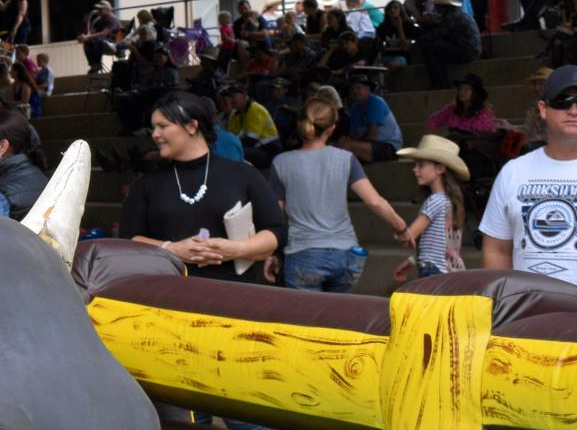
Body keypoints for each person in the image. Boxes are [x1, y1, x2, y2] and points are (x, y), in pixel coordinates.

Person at [480, 65, 577, 296]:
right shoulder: (513, 171)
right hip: (525, 316)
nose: (574, 110)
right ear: (543, 108)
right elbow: (497, 249)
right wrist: (500, 303)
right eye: (562, 101)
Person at [119, 92, 284, 285]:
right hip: (167, 296)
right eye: (154, 127)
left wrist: (237, 249)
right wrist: (171, 249)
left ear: (191, 126)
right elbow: (128, 239)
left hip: (233, 295)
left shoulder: (242, 174)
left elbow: (276, 231)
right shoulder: (147, 184)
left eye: (162, 126)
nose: (155, 134)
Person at [269, 99, 408, 292]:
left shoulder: (280, 163)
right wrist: (401, 228)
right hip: (346, 254)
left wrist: (272, 252)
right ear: (331, 129)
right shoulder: (345, 159)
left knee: (306, 321)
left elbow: (275, 215)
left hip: (302, 253)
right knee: (338, 318)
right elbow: (375, 202)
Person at [396, 135, 468, 278]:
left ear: (440, 168)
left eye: (421, 165)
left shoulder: (435, 201)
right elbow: (438, 246)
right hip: (449, 272)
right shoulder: (450, 202)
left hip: (432, 271)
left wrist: (397, 229)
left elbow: (409, 236)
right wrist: (412, 261)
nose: (415, 169)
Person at [414, 0, 481, 88]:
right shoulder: (456, 14)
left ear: (441, 6)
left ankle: (440, 83)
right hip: (468, 48)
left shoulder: (452, 16)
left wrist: (415, 43)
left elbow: (436, 34)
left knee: (428, 46)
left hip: (466, 50)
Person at [339, 69, 403, 163]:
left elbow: (371, 135)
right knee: (337, 146)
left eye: (358, 87)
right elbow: (353, 135)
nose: (355, 91)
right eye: (352, 89)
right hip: (370, 146)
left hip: (388, 148)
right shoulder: (355, 109)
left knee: (347, 146)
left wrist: (351, 143)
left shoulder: (375, 102)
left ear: (367, 89)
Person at [217, 80, 279, 164]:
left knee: (234, 152)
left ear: (244, 95)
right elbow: (231, 136)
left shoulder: (255, 109)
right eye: (229, 97)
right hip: (255, 148)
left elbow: (251, 140)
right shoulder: (236, 114)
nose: (231, 100)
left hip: (268, 150)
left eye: (233, 96)